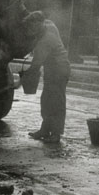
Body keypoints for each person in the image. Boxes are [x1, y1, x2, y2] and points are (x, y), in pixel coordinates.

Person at [23, 11, 70, 143]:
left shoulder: (44, 42)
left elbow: (35, 67)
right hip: (52, 71)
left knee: (56, 102)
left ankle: (55, 134)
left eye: (32, 27)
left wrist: (19, 82)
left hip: (59, 71)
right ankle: (45, 130)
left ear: (38, 24)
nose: (30, 30)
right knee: (46, 101)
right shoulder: (49, 25)